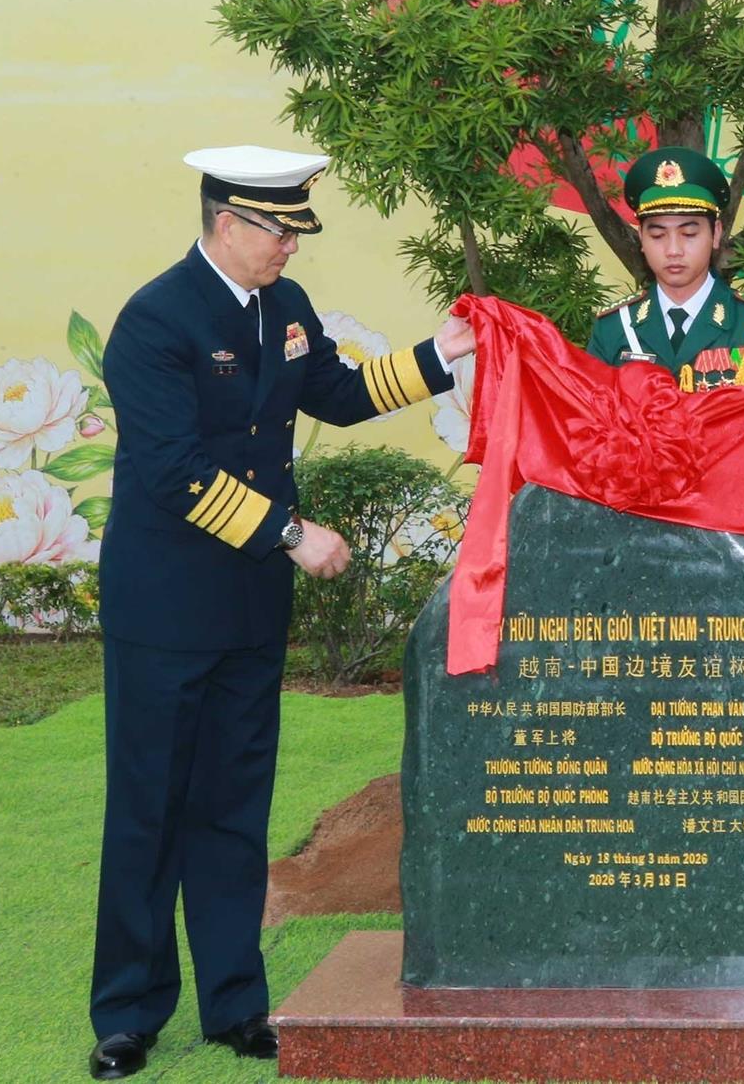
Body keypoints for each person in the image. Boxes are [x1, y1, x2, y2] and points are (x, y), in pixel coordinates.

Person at [86, 145, 473, 1080]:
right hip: (165, 605)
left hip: (250, 610)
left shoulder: (285, 311)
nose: (291, 248)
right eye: (279, 231)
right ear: (228, 224)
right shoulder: (153, 321)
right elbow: (173, 469)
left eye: (295, 231)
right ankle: (128, 1014)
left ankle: (234, 1004)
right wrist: (292, 534)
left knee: (231, 809)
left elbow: (335, 396)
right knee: (150, 810)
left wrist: (438, 357)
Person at [585, 146, 744, 390]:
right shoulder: (615, 326)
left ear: (715, 234)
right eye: (658, 235)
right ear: (641, 238)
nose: (674, 250)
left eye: (689, 233)